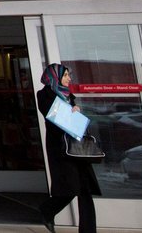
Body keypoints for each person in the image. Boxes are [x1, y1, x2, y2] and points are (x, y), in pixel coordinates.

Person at [36, 63, 101, 233]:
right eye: (65, 76)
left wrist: (75, 113)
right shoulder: (44, 95)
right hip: (61, 147)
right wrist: (71, 113)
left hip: (77, 146)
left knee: (84, 189)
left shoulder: (68, 96)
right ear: (54, 77)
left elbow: (73, 120)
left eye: (68, 75)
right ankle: (48, 209)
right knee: (70, 188)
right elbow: (54, 120)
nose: (69, 79)